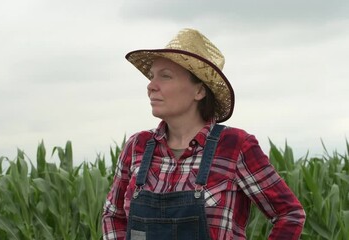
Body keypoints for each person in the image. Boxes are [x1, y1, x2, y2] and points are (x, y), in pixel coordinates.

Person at [102, 28, 305, 240]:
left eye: (165, 76)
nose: (151, 86)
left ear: (199, 90)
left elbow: (289, 214)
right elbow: (112, 214)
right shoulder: (138, 146)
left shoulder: (235, 146)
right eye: (152, 77)